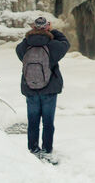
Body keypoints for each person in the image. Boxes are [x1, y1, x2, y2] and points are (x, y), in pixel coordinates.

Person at [15, 16, 70, 159]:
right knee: (48, 123)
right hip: (49, 90)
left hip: (30, 89)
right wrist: (52, 31)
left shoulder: (25, 46)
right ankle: (46, 150)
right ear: (47, 27)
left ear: (33, 27)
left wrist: (31, 35)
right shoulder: (53, 46)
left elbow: (19, 51)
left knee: (33, 122)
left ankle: (33, 149)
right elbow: (65, 43)